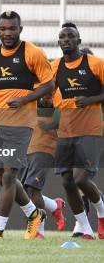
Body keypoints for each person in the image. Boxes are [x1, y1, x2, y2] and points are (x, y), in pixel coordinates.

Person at [0, 10, 53, 239]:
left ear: (20, 29)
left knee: (9, 177)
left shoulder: (32, 53)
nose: (7, 33)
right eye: (3, 29)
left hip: (23, 122)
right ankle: (34, 215)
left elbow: (49, 85)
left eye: (12, 28)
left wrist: (26, 99)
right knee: (1, 176)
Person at [50, 23, 104, 240]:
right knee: (67, 181)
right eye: (62, 37)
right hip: (66, 131)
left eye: (71, 36)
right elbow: (48, 94)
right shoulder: (54, 67)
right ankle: (84, 228)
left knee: (81, 178)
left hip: (91, 130)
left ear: (79, 40)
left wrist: (90, 100)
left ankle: (101, 209)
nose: (66, 40)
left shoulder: (96, 64)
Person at [19, 94, 66, 238]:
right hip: (27, 146)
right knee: (24, 190)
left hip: (45, 147)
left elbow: (69, 116)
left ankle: (39, 231)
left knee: (33, 188)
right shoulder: (29, 85)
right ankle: (54, 205)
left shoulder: (57, 86)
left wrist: (51, 122)